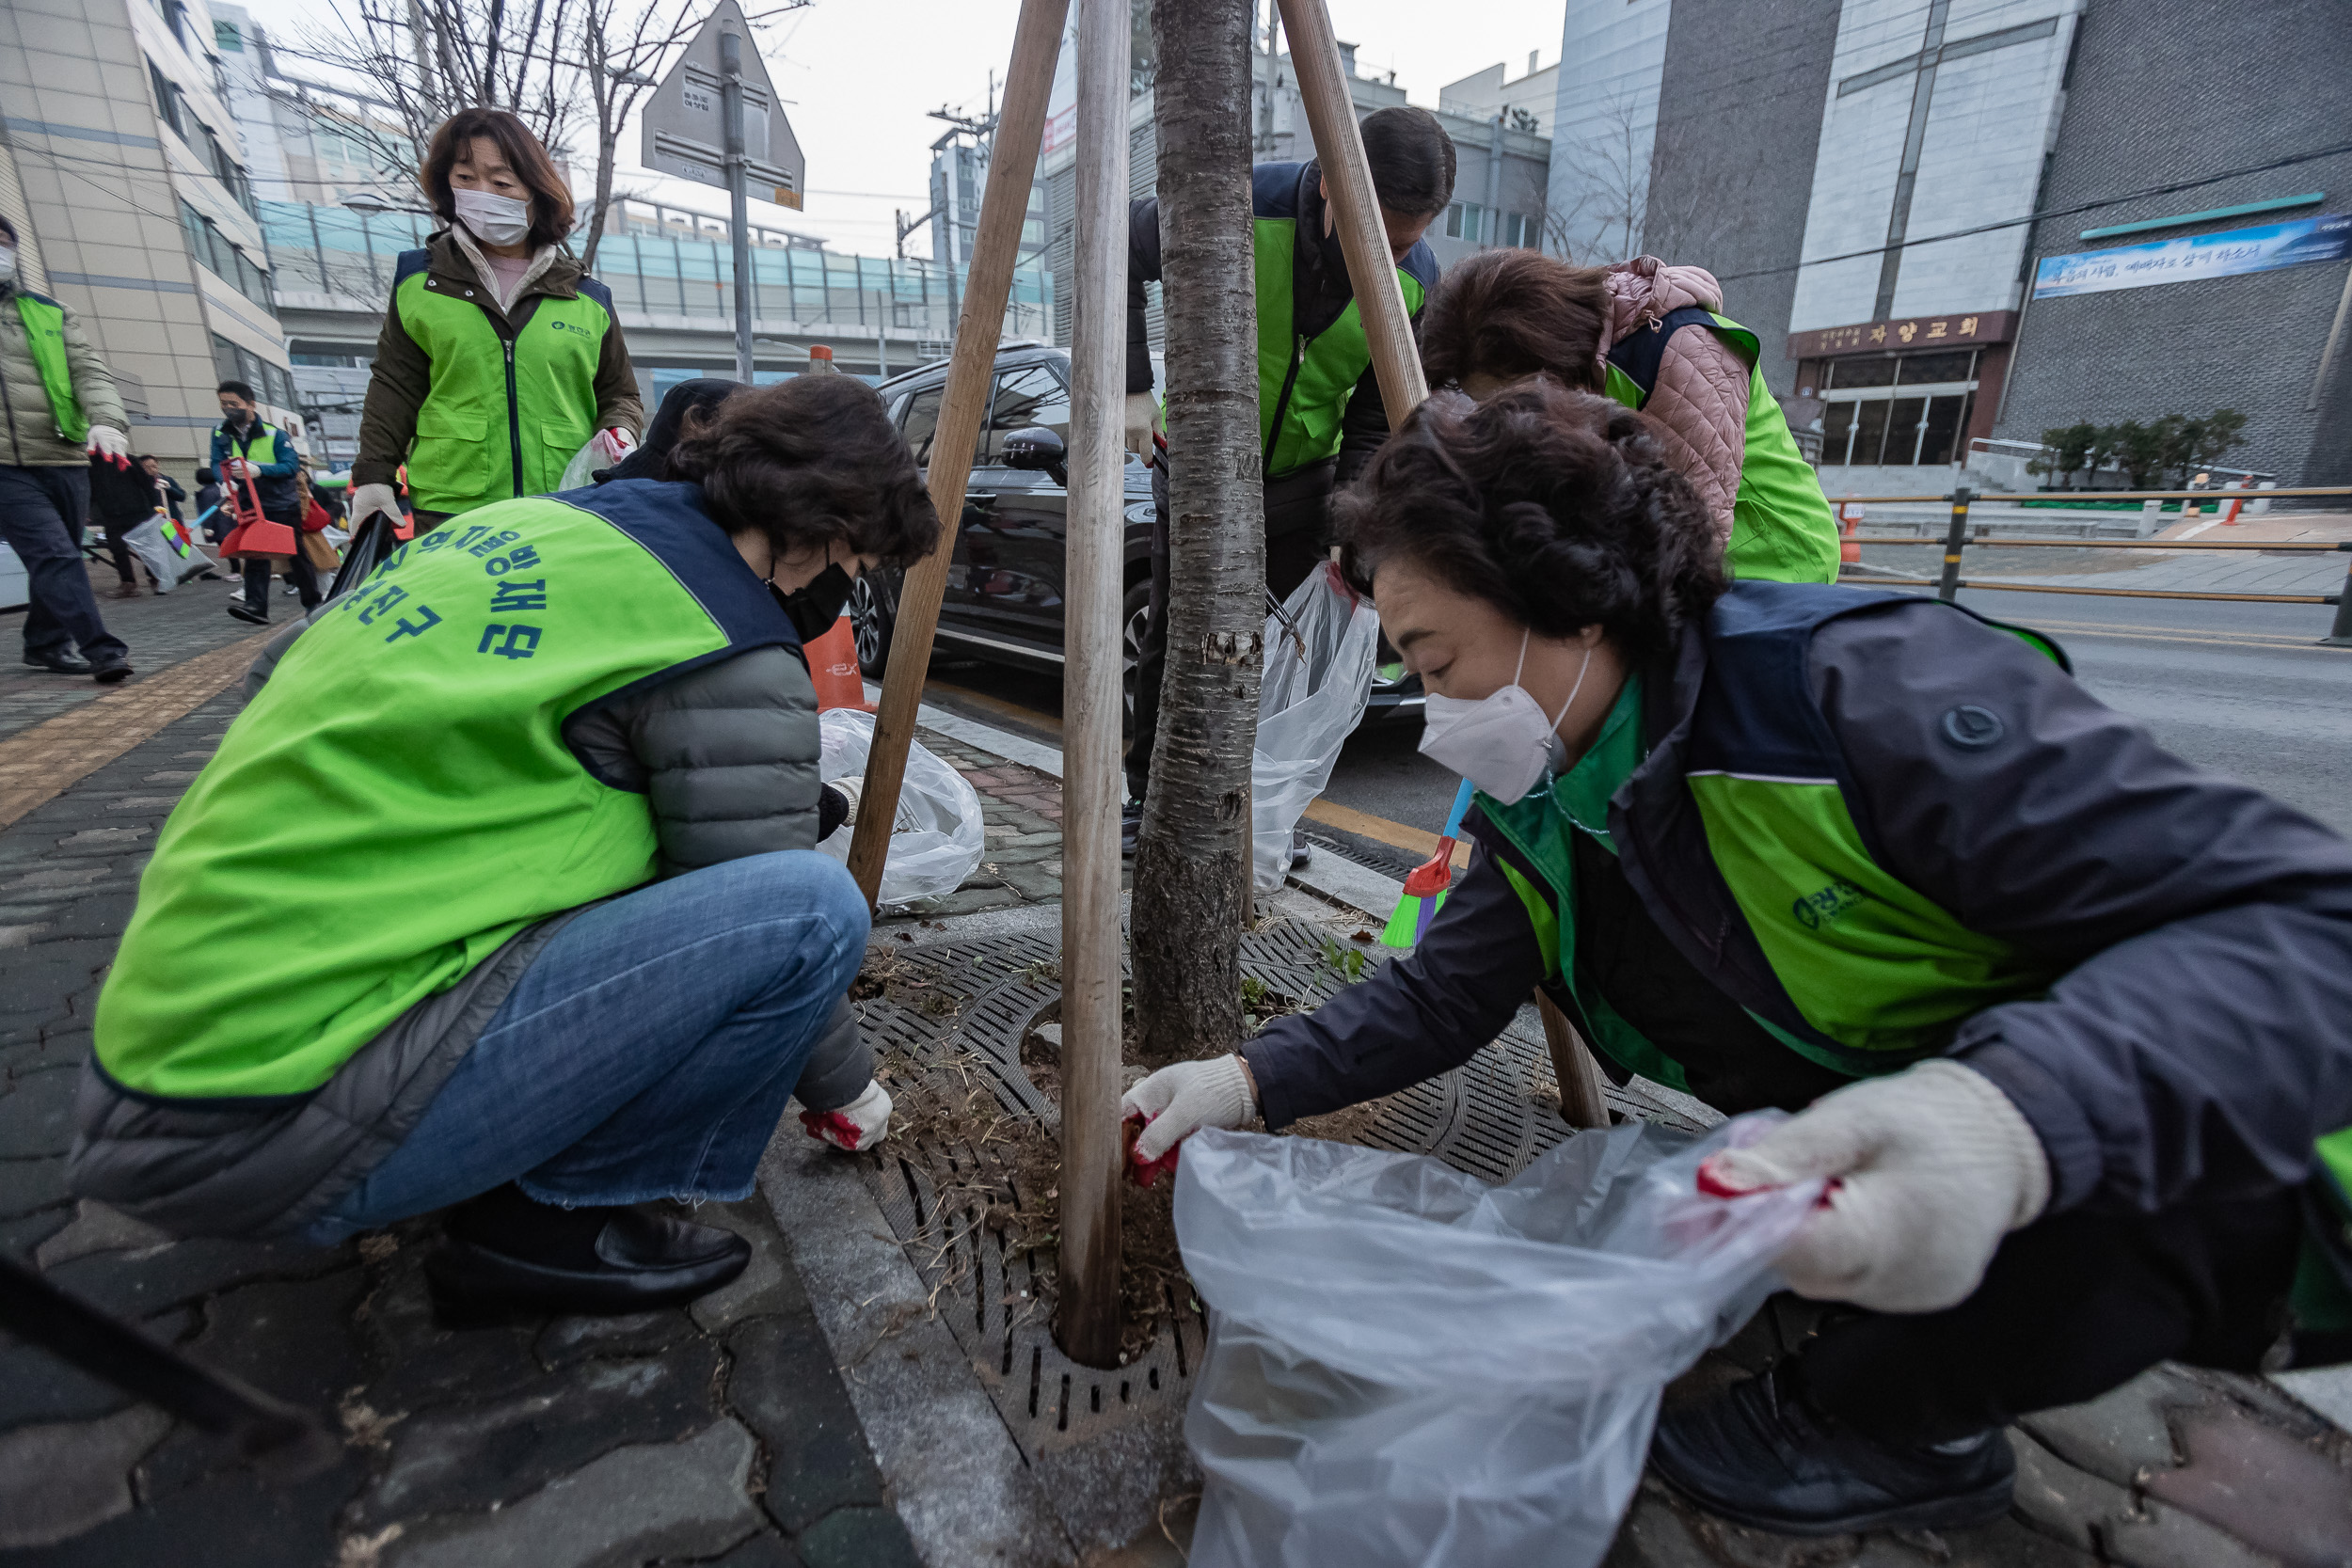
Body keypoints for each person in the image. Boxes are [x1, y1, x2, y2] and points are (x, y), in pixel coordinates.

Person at [1119, 380, 2352, 1537]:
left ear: (1569, 598)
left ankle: (1890, 1424)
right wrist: (1247, 1079)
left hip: (2261, 1167)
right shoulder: (1547, 793)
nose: (1438, 718)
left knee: (1939, 1302)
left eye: (1440, 663)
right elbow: (1445, 986)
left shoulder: (1854, 690)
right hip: (1922, 1110)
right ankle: (1928, 1294)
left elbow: (2302, 931)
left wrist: (2001, 1119)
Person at [66, 375, 937, 1316]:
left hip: (158, 1054)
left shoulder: (527, 527)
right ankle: (549, 1222)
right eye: (846, 558)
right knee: (808, 911)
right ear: (815, 521)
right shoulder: (723, 629)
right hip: (274, 1128)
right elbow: (747, 888)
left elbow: (275, 671)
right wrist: (851, 1093)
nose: (831, 588)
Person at [1120, 105, 1454, 851]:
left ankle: (1260, 807)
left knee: (1277, 652)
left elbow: (1373, 416)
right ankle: (1151, 797)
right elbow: (1120, 243)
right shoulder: (1242, 207)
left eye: (1407, 244)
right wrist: (1132, 383)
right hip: (1201, 466)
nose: (1390, 262)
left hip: (1306, 479)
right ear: (1335, 186)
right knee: (1182, 638)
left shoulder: (1417, 282)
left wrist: (1353, 525)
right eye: (1380, 240)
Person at [1421, 247, 1842, 585]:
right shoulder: (1584, 364)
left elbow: (1695, 531)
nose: (1514, 414)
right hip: (1668, 546)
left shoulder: (1682, 351)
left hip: (1772, 552)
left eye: (1515, 395)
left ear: (1549, 354)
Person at [349, 107, 642, 538]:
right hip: (451, 512)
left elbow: (620, 393)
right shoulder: (420, 282)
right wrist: (374, 474)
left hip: (564, 507)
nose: (482, 193)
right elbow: (395, 383)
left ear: (536, 191)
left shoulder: (587, 297)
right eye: (465, 179)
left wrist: (620, 432)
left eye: (501, 182)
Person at [0, 213, 133, 681]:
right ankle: (102, 650)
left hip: (61, 453)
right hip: (3, 468)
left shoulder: (49, 312)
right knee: (55, 553)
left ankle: (44, 643)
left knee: (56, 556)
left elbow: (87, 371)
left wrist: (107, 421)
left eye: (4, 243)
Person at [212, 379, 321, 624]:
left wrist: (259, 470)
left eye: (234, 403)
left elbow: (291, 466)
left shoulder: (274, 434)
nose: (228, 409)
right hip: (249, 501)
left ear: (251, 404)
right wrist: (222, 482)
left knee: (295, 553)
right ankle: (256, 607)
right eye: (223, 404)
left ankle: (313, 603)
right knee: (254, 553)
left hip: (281, 502)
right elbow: (216, 461)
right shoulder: (220, 432)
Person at [87, 447, 165, 597]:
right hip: (111, 514)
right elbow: (91, 489)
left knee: (146, 547)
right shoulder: (92, 464)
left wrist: (156, 505)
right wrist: (88, 511)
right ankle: (128, 583)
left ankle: (155, 578)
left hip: (137, 511)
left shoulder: (127, 459)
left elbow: (146, 483)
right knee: (117, 548)